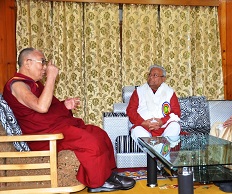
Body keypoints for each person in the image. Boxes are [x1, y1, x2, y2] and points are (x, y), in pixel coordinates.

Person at [3, 47, 135, 193]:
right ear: (27, 63)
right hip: (45, 136)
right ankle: (97, 183)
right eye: (42, 62)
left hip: (56, 127)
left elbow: (46, 108)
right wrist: (51, 77)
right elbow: (41, 107)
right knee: (90, 141)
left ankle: (108, 175)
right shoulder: (17, 85)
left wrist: (64, 105)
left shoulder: (34, 84)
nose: (45, 67)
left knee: (99, 133)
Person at [126, 64, 181, 141]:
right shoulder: (139, 91)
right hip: (143, 127)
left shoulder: (169, 92)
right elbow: (131, 111)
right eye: (149, 75)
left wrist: (162, 121)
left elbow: (176, 112)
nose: (151, 77)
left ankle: (163, 150)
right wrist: (143, 122)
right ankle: (152, 151)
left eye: (155, 75)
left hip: (164, 127)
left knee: (175, 126)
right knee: (137, 132)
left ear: (163, 79)